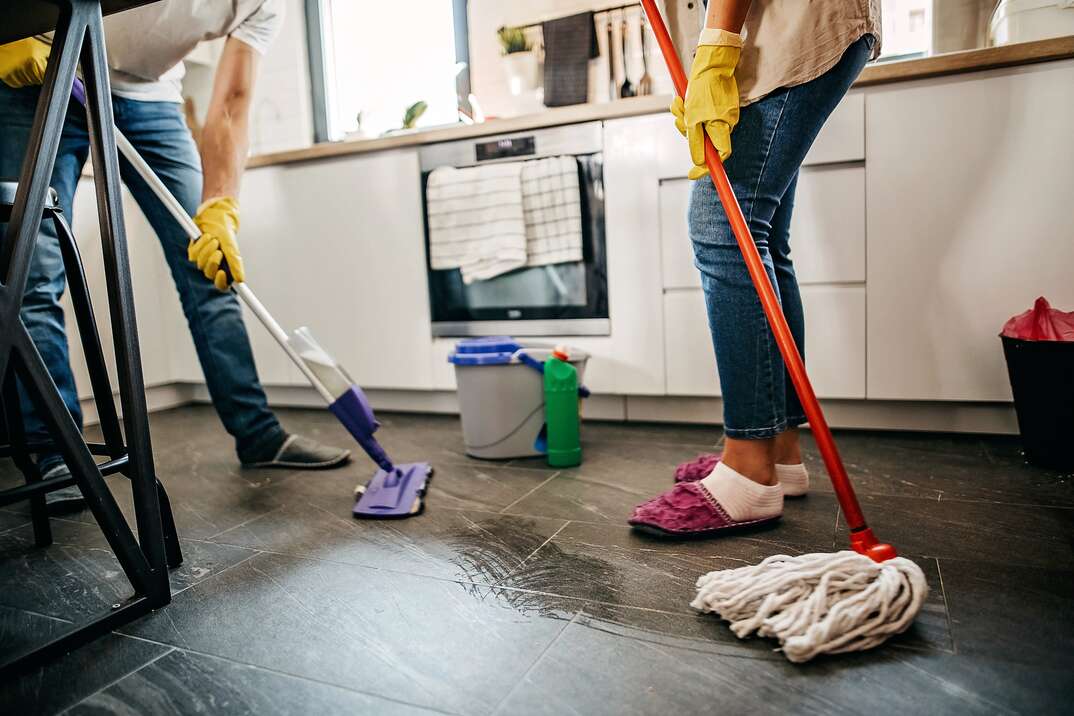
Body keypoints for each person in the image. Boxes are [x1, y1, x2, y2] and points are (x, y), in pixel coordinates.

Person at [0, 0, 350, 514]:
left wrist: (221, 206)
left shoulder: (262, 5)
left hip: (150, 99)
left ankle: (258, 434)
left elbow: (231, 104)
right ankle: (59, 455)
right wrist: (11, 27)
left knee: (210, 265)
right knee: (32, 269)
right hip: (43, 73)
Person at [629, 0, 881, 536]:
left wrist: (717, 46)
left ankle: (749, 468)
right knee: (761, 239)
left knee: (722, 227)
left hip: (787, 29)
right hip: (780, 34)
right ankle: (780, 450)